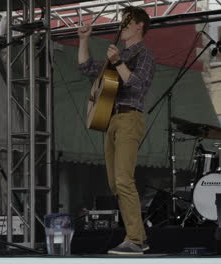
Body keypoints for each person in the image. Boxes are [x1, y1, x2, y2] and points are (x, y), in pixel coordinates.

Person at [78, 6, 155, 255]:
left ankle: (133, 238)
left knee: (123, 180)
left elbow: (136, 83)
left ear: (139, 26)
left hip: (129, 118)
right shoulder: (119, 56)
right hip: (111, 120)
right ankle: (140, 237)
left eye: (126, 21)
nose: (121, 25)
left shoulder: (144, 54)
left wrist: (118, 61)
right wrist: (84, 40)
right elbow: (86, 67)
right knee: (115, 183)